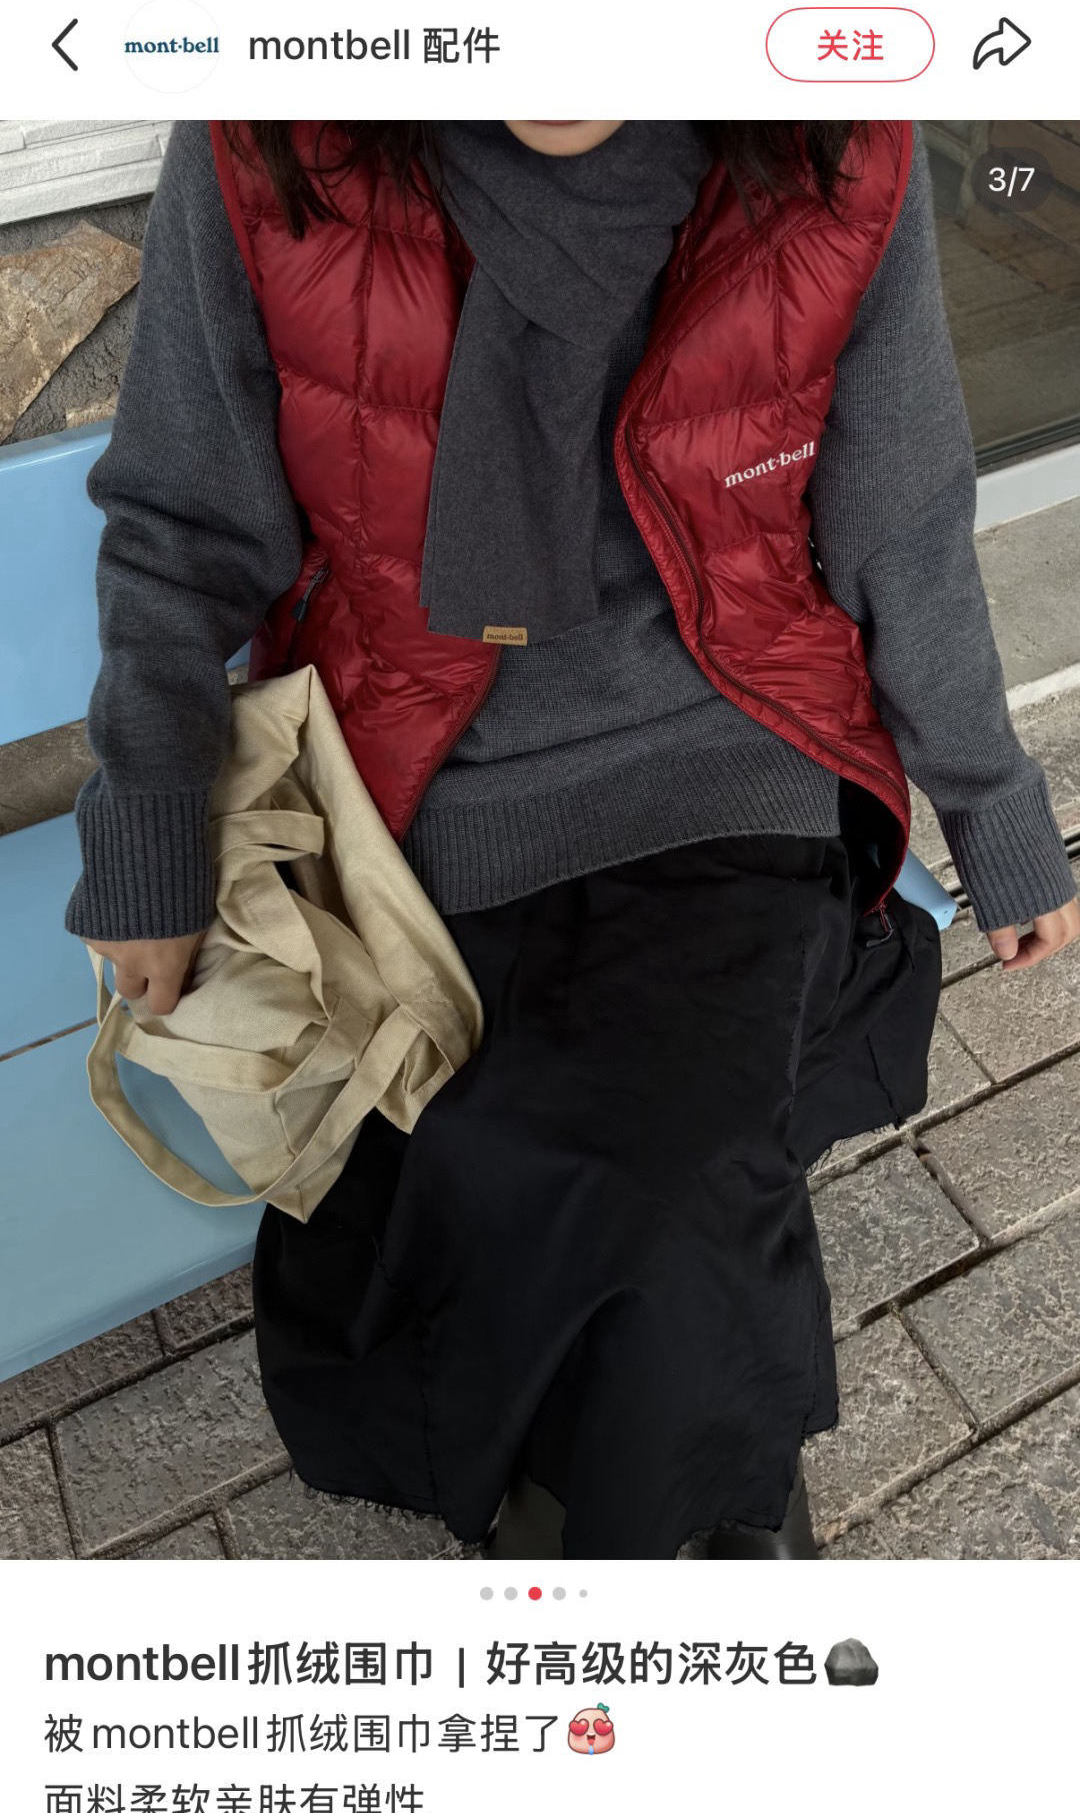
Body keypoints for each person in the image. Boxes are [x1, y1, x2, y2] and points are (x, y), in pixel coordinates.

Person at [67, 117, 1080, 1561]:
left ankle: (678, 1555)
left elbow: (902, 520)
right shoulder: (273, 138)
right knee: (511, 1153)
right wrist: (150, 826)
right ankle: (675, 1518)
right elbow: (182, 523)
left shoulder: (832, 141)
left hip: (728, 742)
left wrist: (993, 804)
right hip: (419, 771)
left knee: (659, 1193)